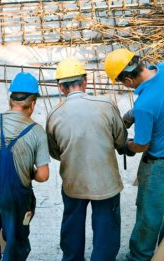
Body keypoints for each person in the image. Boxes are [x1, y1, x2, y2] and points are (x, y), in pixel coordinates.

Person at [104, 48, 164, 261]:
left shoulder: (145, 106)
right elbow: (163, 99)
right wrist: (132, 114)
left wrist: (126, 145)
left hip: (162, 167)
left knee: (148, 215)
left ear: (127, 80)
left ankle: (139, 257)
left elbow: (142, 145)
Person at [46, 58, 128, 261]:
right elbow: (121, 140)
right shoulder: (106, 105)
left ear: (60, 87)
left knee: (72, 225)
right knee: (106, 229)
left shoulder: (54, 115)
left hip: (73, 182)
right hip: (105, 182)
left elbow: (55, 152)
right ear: (85, 82)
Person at [0, 72, 50, 260]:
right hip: (15, 197)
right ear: (32, 104)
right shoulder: (37, 131)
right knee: (16, 242)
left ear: (10, 101)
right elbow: (43, 175)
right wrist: (29, 171)